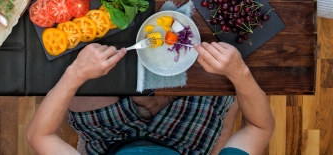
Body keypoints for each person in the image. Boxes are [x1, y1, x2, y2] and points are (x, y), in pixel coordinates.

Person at [26, 42, 274, 155]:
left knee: (77, 83)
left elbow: (40, 135)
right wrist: (238, 72)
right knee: (215, 78)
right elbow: (260, 127)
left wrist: (76, 74)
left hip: (111, 140)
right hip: (185, 142)